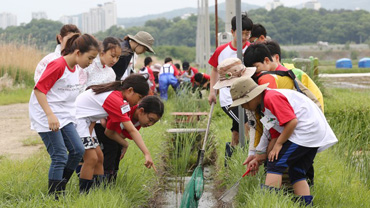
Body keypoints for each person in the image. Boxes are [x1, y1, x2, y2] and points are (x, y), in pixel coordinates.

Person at [229, 77, 338, 206]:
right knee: (296, 171)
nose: (243, 106)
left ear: (252, 96)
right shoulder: (264, 105)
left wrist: (279, 145)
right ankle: (305, 205)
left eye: (244, 102)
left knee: (275, 164)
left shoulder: (271, 98)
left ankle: (268, 203)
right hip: (312, 133)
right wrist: (258, 158)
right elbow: (273, 134)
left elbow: (292, 122)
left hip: (305, 131)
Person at [29, 33, 99, 199]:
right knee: (60, 155)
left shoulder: (76, 68)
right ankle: (55, 197)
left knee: (77, 150)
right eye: (89, 58)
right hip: (46, 113)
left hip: (64, 115)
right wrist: (49, 114)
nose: (90, 63)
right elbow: (39, 90)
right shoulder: (58, 65)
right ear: (77, 52)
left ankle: (60, 186)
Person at [74, 74, 155, 193]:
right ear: (130, 90)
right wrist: (147, 153)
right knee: (91, 158)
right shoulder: (116, 100)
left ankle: (98, 192)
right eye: (139, 98)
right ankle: (84, 194)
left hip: (87, 122)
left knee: (99, 157)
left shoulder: (118, 96)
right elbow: (132, 130)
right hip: (78, 120)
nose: (138, 102)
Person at [208, 14, 253, 159]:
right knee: (246, 125)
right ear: (232, 32)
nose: (245, 37)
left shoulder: (251, 50)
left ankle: (231, 159)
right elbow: (214, 70)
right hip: (229, 100)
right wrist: (212, 92)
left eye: (248, 33)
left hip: (247, 97)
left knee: (236, 131)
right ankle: (245, 155)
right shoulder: (221, 51)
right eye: (242, 33)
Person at [76, 36, 122, 176]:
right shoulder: (88, 65)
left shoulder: (111, 73)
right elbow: (80, 89)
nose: (114, 60)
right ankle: (81, 182)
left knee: (97, 156)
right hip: (82, 115)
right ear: (102, 52)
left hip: (97, 118)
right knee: (86, 155)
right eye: (112, 56)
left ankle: (96, 186)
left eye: (118, 57)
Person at [103, 95, 164, 183]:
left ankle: (109, 184)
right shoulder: (125, 108)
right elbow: (109, 131)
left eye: (154, 122)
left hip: (110, 133)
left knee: (116, 154)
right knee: (110, 151)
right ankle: (102, 185)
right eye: (150, 119)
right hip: (99, 129)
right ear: (141, 111)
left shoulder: (138, 121)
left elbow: (122, 135)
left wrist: (122, 141)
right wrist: (125, 144)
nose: (150, 124)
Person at [264, 40, 324, 111]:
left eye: (267, 60)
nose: (264, 63)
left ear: (277, 58)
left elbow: (316, 98)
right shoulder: (267, 76)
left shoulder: (297, 74)